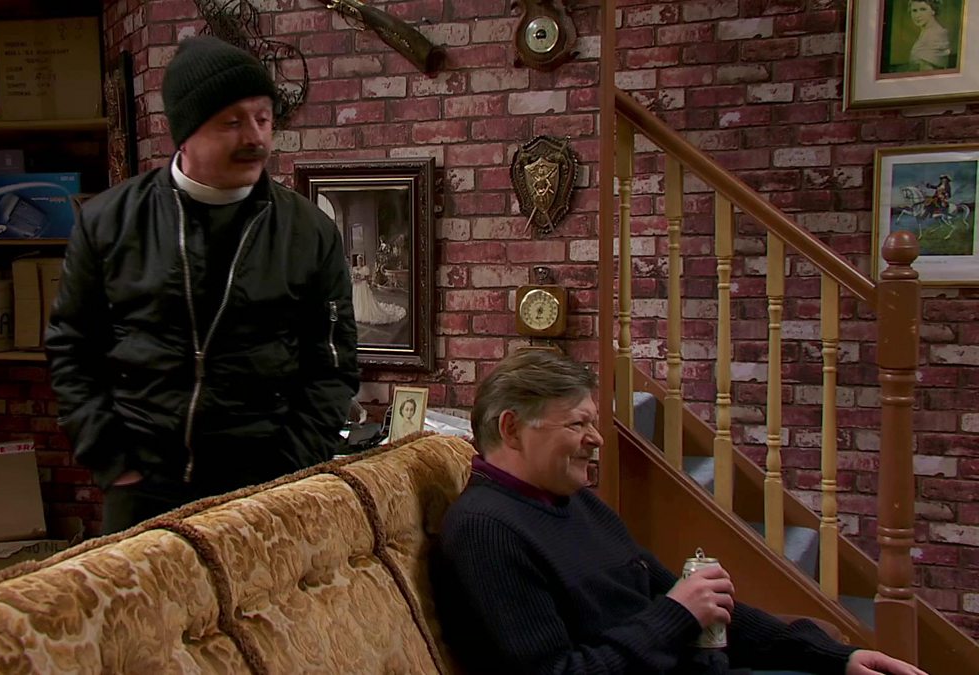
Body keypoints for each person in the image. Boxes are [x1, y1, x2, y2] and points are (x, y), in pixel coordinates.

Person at [431, 349, 927, 675]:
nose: (596, 438)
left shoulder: (576, 502)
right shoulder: (487, 530)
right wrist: (678, 614)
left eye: (594, 422)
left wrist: (836, 658)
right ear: (512, 429)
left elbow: (685, 600)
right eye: (578, 424)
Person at [46, 35, 359, 534]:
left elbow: (333, 368)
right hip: (140, 485)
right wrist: (112, 460)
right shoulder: (108, 222)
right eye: (232, 122)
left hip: (264, 488)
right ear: (185, 133)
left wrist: (289, 470)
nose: (255, 138)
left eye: (263, 119)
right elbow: (72, 347)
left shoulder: (310, 232)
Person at [350, 252, 405, 325]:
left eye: (360, 260)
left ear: (362, 261)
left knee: (363, 298)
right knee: (356, 299)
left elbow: (367, 278)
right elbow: (353, 276)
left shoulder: (365, 268)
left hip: (362, 285)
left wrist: (360, 279)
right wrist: (354, 279)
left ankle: (364, 311)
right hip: (356, 286)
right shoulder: (354, 268)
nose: (359, 262)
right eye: (358, 260)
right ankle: (357, 310)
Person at [907, 0, 952, 71]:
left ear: (933, 10)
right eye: (914, 10)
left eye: (923, 9)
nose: (917, 15)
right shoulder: (926, 32)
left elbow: (927, 73)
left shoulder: (936, 36)